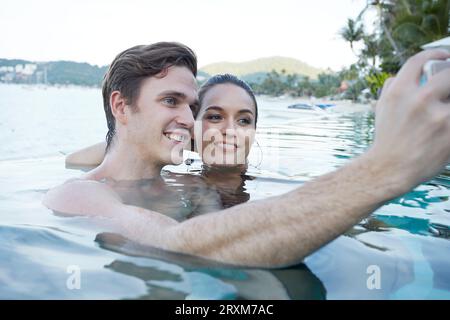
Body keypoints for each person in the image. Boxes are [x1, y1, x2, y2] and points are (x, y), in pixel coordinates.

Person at [43, 42, 450, 268]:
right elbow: (176, 241)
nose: (188, 118)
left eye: (190, 107)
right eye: (174, 102)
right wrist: (385, 169)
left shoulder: (167, 178)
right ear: (121, 106)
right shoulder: (82, 193)